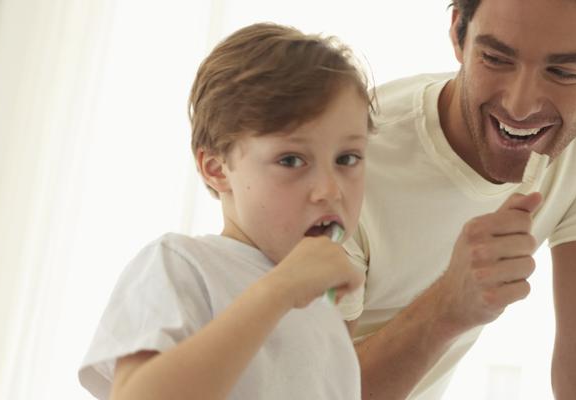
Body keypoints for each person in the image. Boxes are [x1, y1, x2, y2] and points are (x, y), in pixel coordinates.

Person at [337, 0, 576, 398]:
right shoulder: (346, 165)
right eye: (496, 58)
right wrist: (447, 305)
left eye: (563, 72)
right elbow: (309, 388)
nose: (520, 105)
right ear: (458, 35)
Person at [78, 22, 373, 399]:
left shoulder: (325, 314)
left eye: (347, 158)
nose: (330, 190)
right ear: (217, 169)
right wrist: (280, 290)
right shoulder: (181, 265)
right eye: (291, 160)